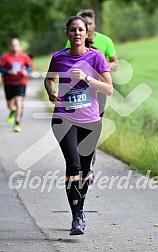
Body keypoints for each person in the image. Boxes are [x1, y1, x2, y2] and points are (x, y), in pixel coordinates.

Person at [44, 16, 113, 235]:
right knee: (73, 166)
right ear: (67, 34)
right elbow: (49, 78)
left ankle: (80, 210)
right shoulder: (59, 57)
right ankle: (76, 217)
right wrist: (50, 91)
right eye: (73, 30)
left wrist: (86, 78)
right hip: (64, 118)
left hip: (91, 121)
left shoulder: (96, 57)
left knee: (85, 170)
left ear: (86, 33)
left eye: (81, 29)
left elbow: (109, 89)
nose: (77, 33)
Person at [66, 9, 118, 178]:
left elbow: (115, 63)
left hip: (99, 87)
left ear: (93, 24)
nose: (84, 28)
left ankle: (88, 164)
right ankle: (80, 161)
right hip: (80, 90)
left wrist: (101, 68)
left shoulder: (105, 41)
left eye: (88, 24)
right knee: (80, 123)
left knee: (93, 124)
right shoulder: (74, 40)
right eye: (82, 24)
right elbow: (66, 62)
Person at [0, 38, 33, 132]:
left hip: (21, 81)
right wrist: (8, 71)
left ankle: (17, 123)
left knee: (19, 101)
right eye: (13, 45)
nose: (15, 47)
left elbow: (29, 65)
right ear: (10, 46)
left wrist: (26, 71)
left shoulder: (24, 56)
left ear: (20, 47)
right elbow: (1, 68)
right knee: (9, 104)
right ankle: (12, 111)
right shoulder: (6, 57)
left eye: (17, 45)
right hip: (8, 83)